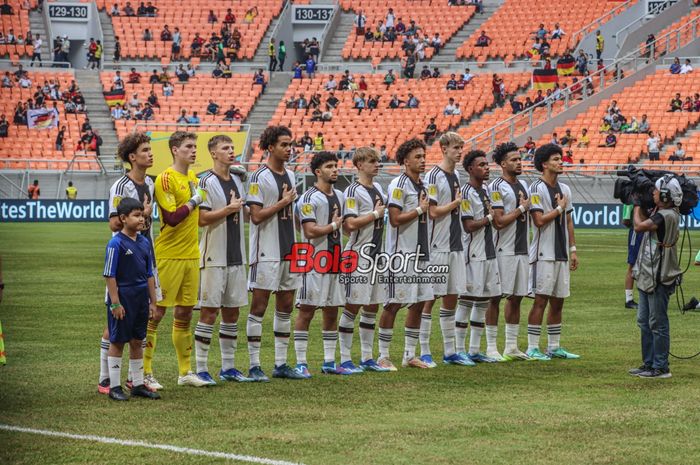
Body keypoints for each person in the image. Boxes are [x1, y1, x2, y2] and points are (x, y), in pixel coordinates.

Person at [98, 133, 161, 394]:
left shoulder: (151, 183)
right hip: (123, 263)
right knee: (115, 321)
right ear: (132, 157)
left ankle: (135, 380)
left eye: (150, 149)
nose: (150, 153)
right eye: (145, 150)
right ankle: (105, 379)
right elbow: (114, 223)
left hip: (146, 255)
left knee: (139, 322)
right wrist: (143, 214)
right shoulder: (120, 186)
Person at [149, 131, 209, 388]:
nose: (193, 151)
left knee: (185, 312)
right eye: (188, 146)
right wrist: (195, 202)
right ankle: (145, 371)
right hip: (168, 255)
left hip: (191, 254)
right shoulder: (165, 179)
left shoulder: (193, 177)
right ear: (175, 150)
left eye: (195, 146)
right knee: (156, 313)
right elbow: (171, 218)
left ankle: (185, 372)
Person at [245, 126, 304, 380]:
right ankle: (254, 365)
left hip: (289, 251)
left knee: (286, 306)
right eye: (283, 144)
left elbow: (294, 214)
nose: (288, 148)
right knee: (259, 306)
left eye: (290, 144)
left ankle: (280, 364)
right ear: (270, 147)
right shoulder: (259, 177)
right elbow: (255, 216)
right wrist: (282, 202)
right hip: (266, 252)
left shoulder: (291, 174)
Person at [193, 136, 251, 384]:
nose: (231, 151)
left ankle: (228, 367)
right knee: (209, 312)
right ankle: (201, 368)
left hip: (237, 256)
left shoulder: (238, 179)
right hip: (213, 255)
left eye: (232, 147)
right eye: (225, 148)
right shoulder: (205, 180)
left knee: (232, 313)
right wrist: (229, 209)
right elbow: (201, 219)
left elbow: (246, 214)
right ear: (213, 153)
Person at [293, 152, 352, 377]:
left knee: (331, 311)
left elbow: (346, 227)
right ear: (318, 172)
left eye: (336, 165)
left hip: (335, 260)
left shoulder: (339, 195)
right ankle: (300, 363)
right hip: (313, 261)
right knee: (307, 311)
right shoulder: (308, 197)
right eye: (329, 166)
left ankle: (329, 362)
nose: (335, 169)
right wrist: (334, 226)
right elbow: (309, 231)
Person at [379, 138, 433, 370]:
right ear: (405, 160)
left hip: (421, 252)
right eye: (417, 157)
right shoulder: (398, 185)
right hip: (400, 255)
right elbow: (394, 219)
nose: (422, 160)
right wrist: (420, 209)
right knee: (393, 303)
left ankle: (409, 355)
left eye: (423, 156)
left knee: (419, 302)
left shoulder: (422, 185)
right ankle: (383, 356)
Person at [419, 133, 471, 367]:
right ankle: (424, 350)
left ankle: (450, 351)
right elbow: (431, 211)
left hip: (456, 244)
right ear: (443, 149)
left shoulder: (457, 175)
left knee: (452, 295)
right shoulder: (432, 176)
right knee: (430, 297)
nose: (459, 151)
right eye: (455, 147)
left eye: (461, 147)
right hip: (437, 246)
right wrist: (454, 204)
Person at [103, 198, 161, 401]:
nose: (141, 219)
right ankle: (115, 386)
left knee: (138, 340)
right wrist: (115, 302)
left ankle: (137, 384)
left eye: (142, 215)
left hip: (140, 298)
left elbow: (149, 275)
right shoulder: (115, 243)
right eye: (136, 215)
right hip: (124, 296)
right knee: (118, 340)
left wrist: (153, 302)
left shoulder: (145, 242)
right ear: (123, 218)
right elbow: (109, 275)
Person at [526, 144, 579, 361]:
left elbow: (568, 220)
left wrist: (573, 249)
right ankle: (532, 347)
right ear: (545, 164)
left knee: (559, 300)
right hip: (543, 254)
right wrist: (558, 208)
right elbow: (538, 221)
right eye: (556, 159)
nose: (561, 162)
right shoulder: (536, 189)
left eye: (561, 159)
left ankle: (554, 346)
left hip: (561, 254)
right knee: (540, 300)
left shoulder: (565, 190)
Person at [341, 147, 390, 372]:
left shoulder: (379, 188)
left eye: (377, 161)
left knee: (372, 306)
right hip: (358, 256)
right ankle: (344, 358)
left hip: (377, 256)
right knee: (352, 306)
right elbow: (349, 224)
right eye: (372, 161)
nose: (377, 165)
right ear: (359, 165)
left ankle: (368, 358)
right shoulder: (352, 191)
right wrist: (375, 215)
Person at [629, 175, 683, 379]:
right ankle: (648, 363)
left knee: (657, 322)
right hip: (648, 273)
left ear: (666, 195)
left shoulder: (666, 215)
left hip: (660, 275)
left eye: (657, 190)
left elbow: (639, 226)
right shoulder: (660, 212)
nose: (653, 192)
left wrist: (635, 206)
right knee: (644, 320)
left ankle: (661, 367)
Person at [487, 142, 532, 360]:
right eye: (514, 160)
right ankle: (491, 347)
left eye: (519, 159)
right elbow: (498, 221)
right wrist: (522, 208)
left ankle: (511, 346)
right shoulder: (496, 187)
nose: (519, 163)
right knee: (495, 297)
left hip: (522, 249)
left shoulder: (523, 185)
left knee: (517, 297)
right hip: (503, 249)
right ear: (503, 164)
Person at [457, 150, 502, 363]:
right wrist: (489, 217)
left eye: (487, 164)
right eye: (482, 165)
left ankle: (474, 350)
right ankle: (459, 349)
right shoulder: (466, 192)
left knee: (483, 300)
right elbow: (468, 226)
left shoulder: (485, 190)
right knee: (466, 300)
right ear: (470, 169)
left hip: (489, 251)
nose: (487, 167)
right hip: (473, 253)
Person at [622, 204, 642, 310]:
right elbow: (625, 220)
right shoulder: (631, 198)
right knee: (632, 264)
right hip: (637, 232)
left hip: (647, 230)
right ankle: (628, 300)